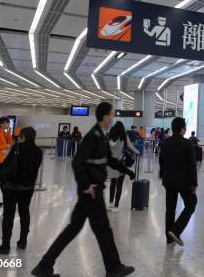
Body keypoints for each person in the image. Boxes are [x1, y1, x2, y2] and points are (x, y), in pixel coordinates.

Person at [31, 102, 136, 277]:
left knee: (74, 228)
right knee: (103, 230)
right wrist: (86, 185)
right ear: (104, 116)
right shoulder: (93, 136)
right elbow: (77, 162)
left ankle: (44, 266)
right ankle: (113, 267)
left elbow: (109, 159)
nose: (113, 117)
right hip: (91, 191)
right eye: (111, 114)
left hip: (92, 190)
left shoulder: (101, 135)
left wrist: (127, 171)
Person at [0, 127, 43, 254]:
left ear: (23, 136)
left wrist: (4, 180)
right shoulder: (39, 151)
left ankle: (5, 246)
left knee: (8, 215)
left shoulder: (17, 148)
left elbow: (6, 165)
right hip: (28, 188)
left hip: (11, 187)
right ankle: (23, 242)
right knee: (24, 213)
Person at [159, 117, 197, 246]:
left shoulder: (165, 142)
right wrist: (194, 183)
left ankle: (169, 238)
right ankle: (176, 230)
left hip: (168, 180)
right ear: (182, 129)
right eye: (185, 127)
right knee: (191, 203)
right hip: (184, 181)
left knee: (170, 208)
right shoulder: (187, 144)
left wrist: (163, 175)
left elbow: (161, 161)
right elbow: (191, 165)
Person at [107, 122, 140, 212]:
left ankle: (110, 203)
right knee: (119, 184)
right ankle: (116, 206)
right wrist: (137, 151)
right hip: (121, 163)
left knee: (113, 183)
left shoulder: (110, 136)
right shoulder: (123, 135)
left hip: (112, 163)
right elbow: (130, 147)